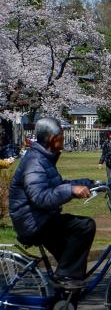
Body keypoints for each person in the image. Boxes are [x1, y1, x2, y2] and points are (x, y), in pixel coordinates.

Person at [9, 118, 95, 288]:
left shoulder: (44, 158)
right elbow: (40, 197)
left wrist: (88, 183)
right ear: (51, 139)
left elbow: (55, 185)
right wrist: (70, 190)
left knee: (73, 261)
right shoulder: (35, 162)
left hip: (41, 218)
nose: (63, 139)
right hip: (33, 222)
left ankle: (64, 295)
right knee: (85, 226)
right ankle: (64, 280)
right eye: (61, 136)